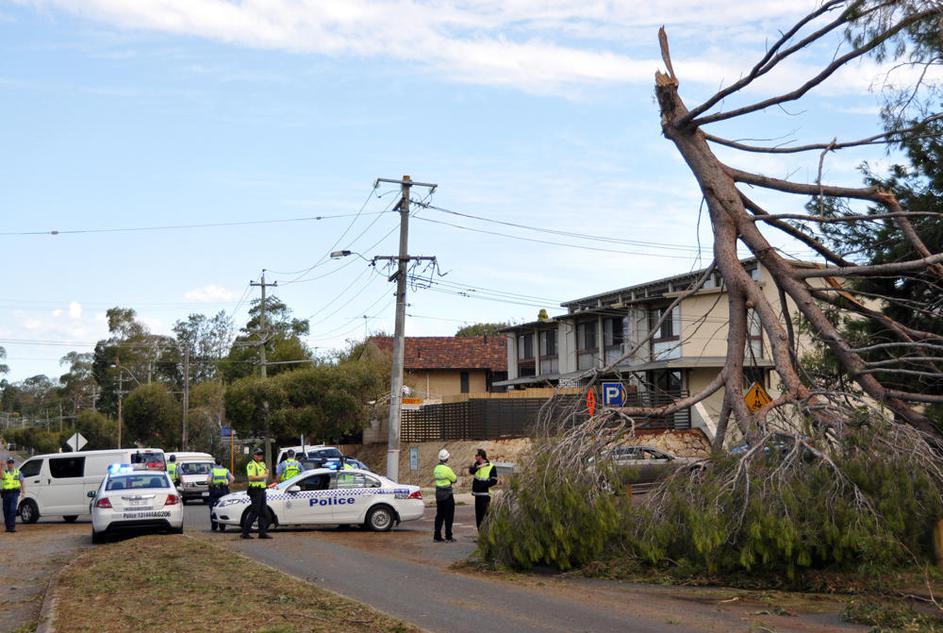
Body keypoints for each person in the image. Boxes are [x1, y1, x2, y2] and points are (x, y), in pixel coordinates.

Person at [242, 448, 272, 539]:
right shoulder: (251, 465)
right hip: (255, 490)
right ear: (254, 455)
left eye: (261, 455)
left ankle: (262, 533)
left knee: (263, 511)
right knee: (254, 511)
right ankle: (245, 533)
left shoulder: (262, 464)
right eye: (258, 455)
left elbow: (264, 477)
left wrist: (266, 476)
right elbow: (251, 478)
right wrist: (265, 476)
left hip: (262, 490)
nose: (260, 456)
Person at [468, 448, 498, 530]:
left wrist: (483, 485)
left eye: (476, 455)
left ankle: (486, 536)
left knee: (485, 516)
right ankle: (480, 536)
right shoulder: (476, 465)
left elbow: (494, 481)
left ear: (480, 456)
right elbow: (471, 471)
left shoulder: (491, 467)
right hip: (477, 495)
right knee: (478, 517)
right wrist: (479, 466)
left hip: (485, 495)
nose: (475, 457)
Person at [433, 448, 457, 543]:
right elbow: (454, 479)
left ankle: (437, 536)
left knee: (439, 515)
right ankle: (448, 536)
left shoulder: (436, 469)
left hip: (438, 494)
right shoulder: (447, 469)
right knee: (449, 516)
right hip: (447, 494)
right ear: (447, 458)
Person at [208, 457, 234, 532]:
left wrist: (212, 484)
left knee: (213, 507)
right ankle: (222, 526)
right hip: (223, 490)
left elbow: (208, 481)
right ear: (221, 463)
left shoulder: (212, 470)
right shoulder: (225, 470)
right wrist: (228, 484)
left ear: (215, 463)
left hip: (215, 491)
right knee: (222, 506)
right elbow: (232, 478)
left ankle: (214, 526)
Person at [2, 457, 24, 533]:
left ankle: (12, 527)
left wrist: (23, 492)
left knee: (12, 509)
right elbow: (1, 477)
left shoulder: (18, 472)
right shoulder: (4, 472)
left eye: (11, 462)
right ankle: (8, 527)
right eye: (9, 462)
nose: (10, 464)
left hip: (14, 493)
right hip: (6, 493)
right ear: (7, 464)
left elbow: (22, 482)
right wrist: (1, 466)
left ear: (13, 463)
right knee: (6, 510)